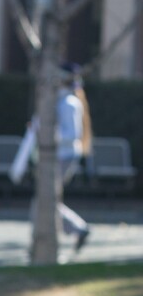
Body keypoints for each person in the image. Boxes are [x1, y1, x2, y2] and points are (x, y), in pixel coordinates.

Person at [55, 65, 92, 252]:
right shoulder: (63, 100)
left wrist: (47, 134)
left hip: (65, 155)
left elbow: (71, 134)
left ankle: (78, 228)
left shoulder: (69, 103)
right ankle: (76, 229)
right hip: (61, 154)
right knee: (46, 200)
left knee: (46, 200)